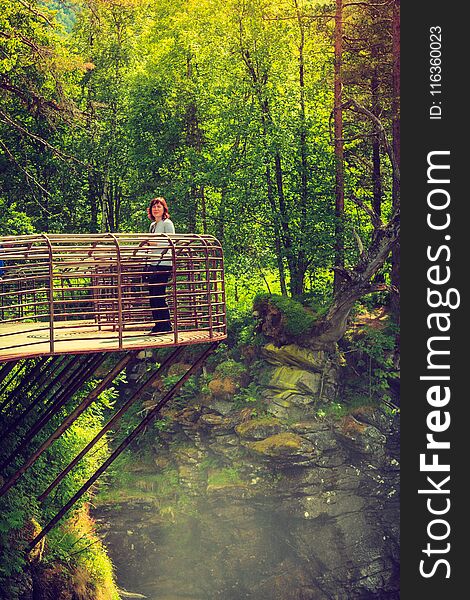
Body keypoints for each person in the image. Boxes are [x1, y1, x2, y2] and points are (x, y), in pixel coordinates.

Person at [146, 196, 175, 334]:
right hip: (153, 263)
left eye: (159, 206)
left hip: (164, 263)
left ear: (164, 209)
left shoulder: (167, 223)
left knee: (159, 294)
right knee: (152, 294)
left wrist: (153, 243)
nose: (156, 209)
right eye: (154, 207)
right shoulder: (153, 226)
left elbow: (171, 242)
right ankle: (158, 325)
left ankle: (166, 325)